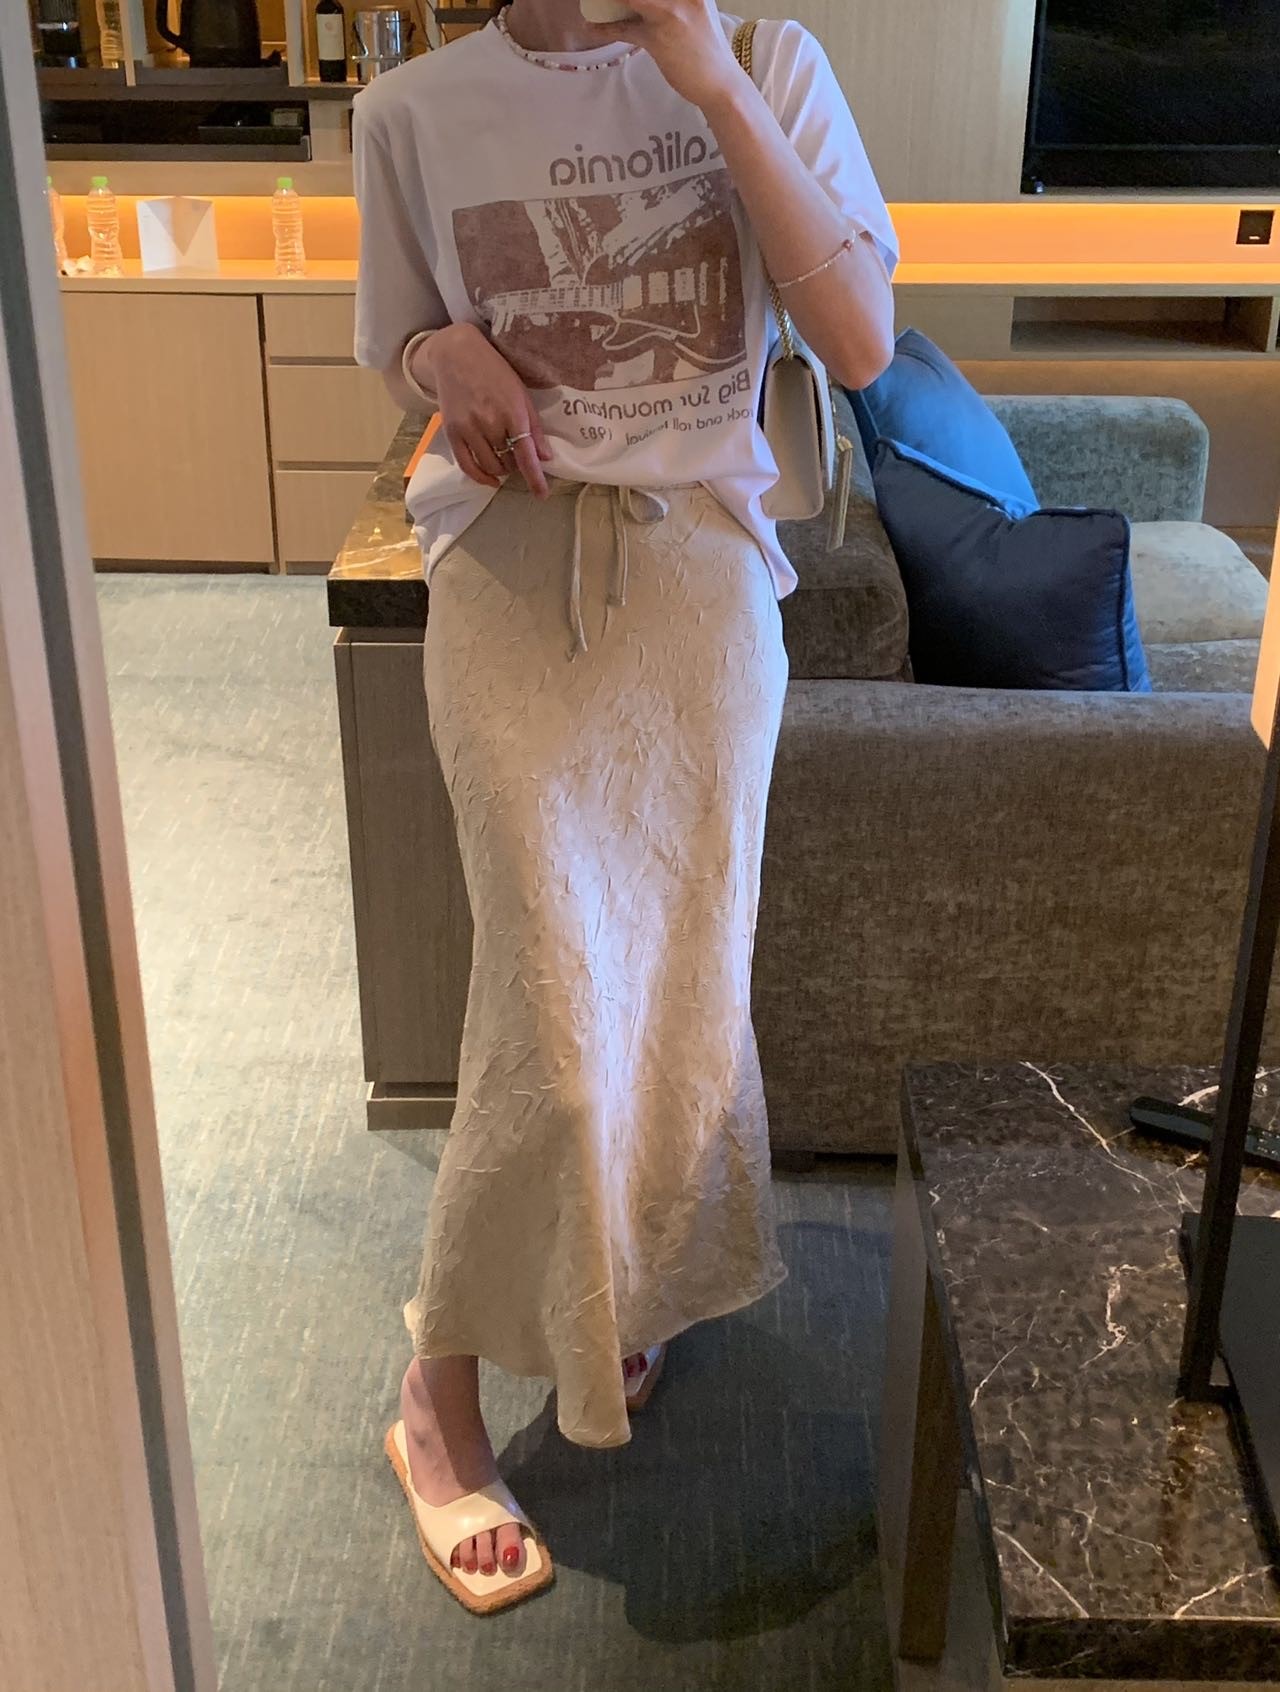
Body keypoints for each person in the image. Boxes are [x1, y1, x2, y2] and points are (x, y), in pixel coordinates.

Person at [352, 0, 898, 1613]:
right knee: (544, 1004)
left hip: (698, 597)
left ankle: (615, 1299)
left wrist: (709, 82)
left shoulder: (768, 59)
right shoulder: (412, 109)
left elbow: (860, 341)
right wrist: (439, 356)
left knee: (675, 992)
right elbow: (394, 334)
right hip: (509, 591)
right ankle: (438, 1402)